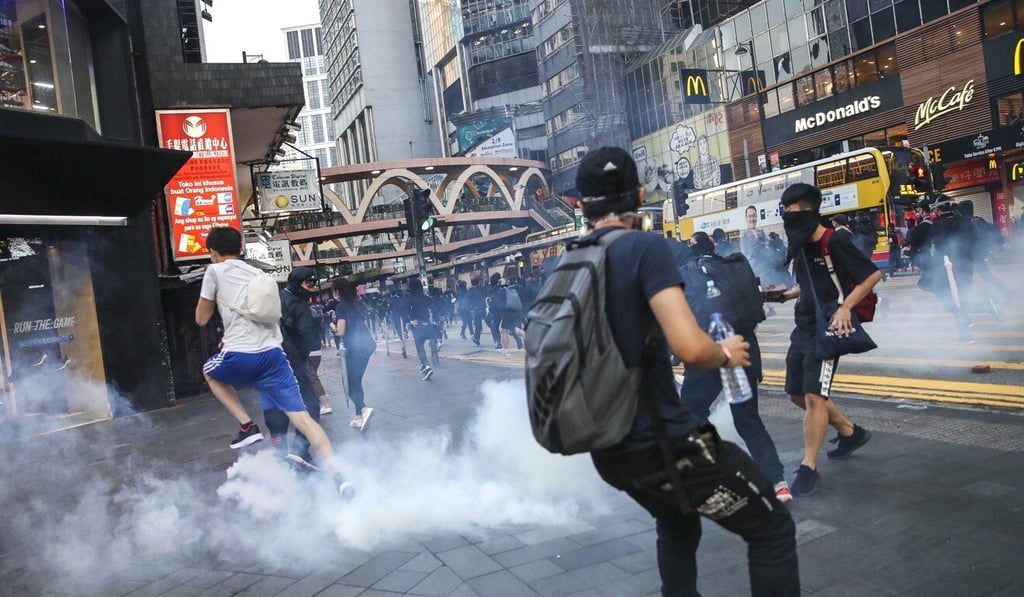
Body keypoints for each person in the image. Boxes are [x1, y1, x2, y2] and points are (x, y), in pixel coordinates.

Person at [574, 147, 800, 595]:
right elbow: (691, 349)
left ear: (579, 205)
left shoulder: (572, 260)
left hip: (609, 448)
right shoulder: (643, 246)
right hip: (661, 442)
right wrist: (726, 352)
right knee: (771, 528)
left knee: (677, 525)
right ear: (639, 195)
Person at [194, 227, 351, 492]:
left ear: (212, 252)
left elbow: (201, 318)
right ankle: (340, 476)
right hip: (274, 357)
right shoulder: (258, 273)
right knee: (303, 420)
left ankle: (247, 426)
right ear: (241, 246)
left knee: (210, 373)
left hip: (239, 354)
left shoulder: (214, 271)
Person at [777, 183, 881, 496]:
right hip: (804, 326)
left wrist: (847, 307)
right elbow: (811, 283)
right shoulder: (802, 244)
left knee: (813, 397)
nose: (787, 219)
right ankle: (850, 432)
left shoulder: (834, 239)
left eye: (792, 213)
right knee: (796, 393)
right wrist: (786, 295)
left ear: (809, 212)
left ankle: (808, 467)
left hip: (828, 328)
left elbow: (872, 275)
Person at [680, 231, 791, 503]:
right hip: (743, 348)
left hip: (711, 352)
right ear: (713, 245)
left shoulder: (686, 271)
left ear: (692, 249)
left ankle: (720, 470)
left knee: (690, 412)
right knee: (748, 420)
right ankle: (778, 482)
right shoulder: (734, 265)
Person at [266, 266, 325, 466]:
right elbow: (306, 333)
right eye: (308, 283)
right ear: (297, 283)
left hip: (274, 361)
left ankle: (279, 451)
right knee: (311, 405)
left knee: (278, 405)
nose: (312, 287)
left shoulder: (278, 297)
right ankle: (299, 450)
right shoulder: (299, 304)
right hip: (294, 362)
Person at [331, 278, 377, 430]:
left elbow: (341, 331)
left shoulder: (340, 307)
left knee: (349, 384)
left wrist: (331, 324)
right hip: (367, 345)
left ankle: (363, 409)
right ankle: (358, 416)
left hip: (354, 348)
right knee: (356, 381)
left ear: (337, 291)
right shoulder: (358, 304)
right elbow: (364, 325)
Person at [405, 278, 436, 380]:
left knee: (420, 347)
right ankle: (424, 366)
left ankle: (426, 366)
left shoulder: (409, 298)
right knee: (428, 342)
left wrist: (410, 321)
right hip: (427, 323)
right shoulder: (426, 297)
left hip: (417, 325)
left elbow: (403, 311)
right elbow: (433, 306)